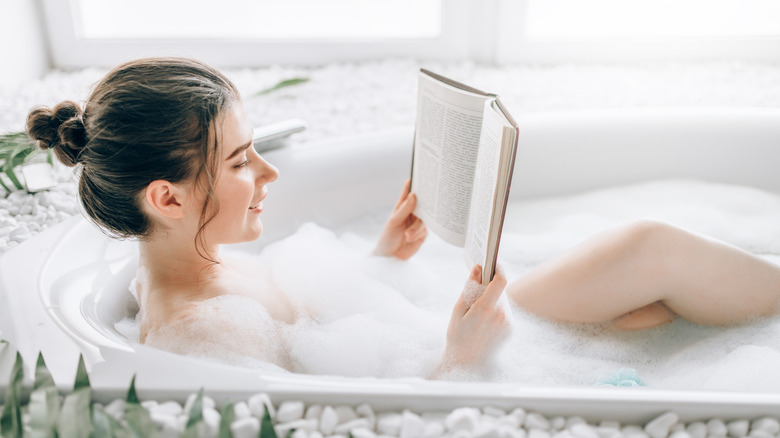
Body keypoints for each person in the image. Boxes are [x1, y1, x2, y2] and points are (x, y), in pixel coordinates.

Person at [25, 57, 780, 376]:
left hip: (441, 328)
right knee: (649, 272)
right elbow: (342, 417)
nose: (268, 173)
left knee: (649, 296)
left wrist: (380, 259)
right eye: (239, 161)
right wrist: (462, 361)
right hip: (458, 354)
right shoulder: (203, 331)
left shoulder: (202, 269)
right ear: (167, 197)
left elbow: (306, 326)